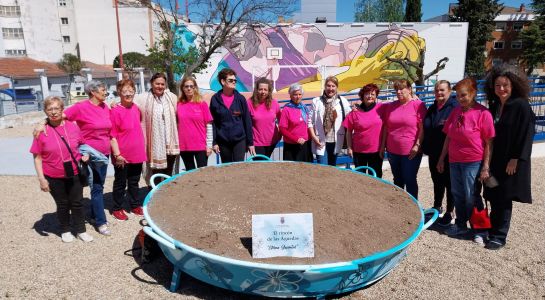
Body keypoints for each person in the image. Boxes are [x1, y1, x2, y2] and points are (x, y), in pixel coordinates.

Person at [437, 78, 495, 245]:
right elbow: (448, 136)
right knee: (458, 194)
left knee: (472, 196)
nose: (460, 99)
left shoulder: (483, 113)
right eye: (458, 96)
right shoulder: (456, 112)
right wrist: (442, 158)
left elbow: (489, 142)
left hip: (473, 161)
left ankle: (481, 230)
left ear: (473, 93)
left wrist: (486, 166)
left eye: (464, 95)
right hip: (455, 161)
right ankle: (461, 224)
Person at [483, 64, 535, 250]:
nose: (501, 89)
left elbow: (527, 133)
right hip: (493, 161)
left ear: (513, 85)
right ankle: (491, 228)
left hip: (509, 162)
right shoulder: (495, 105)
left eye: (505, 85)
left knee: (504, 197)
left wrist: (516, 158)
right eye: (497, 85)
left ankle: (499, 235)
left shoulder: (520, 105)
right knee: (492, 193)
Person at [30, 96, 93, 243]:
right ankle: (65, 230)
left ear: (62, 109)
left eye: (56, 108)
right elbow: (37, 157)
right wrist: (41, 179)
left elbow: (83, 145)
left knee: (77, 203)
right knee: (63, 204)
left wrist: (86, 154)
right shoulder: (41, 131)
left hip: (74, 173)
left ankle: (81, 230)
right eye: (49, 109)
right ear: (45, 111)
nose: (53, 112)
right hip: (53, 175)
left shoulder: (73, 126)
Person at [64, 80, 112, 236]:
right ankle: (101, 222)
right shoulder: (81, 107)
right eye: (103, 90)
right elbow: (62, 118)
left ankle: (93, 215)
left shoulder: (105, 107)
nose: (106, 92)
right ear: (93, 91)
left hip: (104, 154)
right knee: (96, 187)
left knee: (99, 185)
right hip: (90, 154)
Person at [382, 79, 427, 198]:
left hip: (411, 151)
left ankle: (414, 208)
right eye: (396, 89)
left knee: (410, 179)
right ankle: (401, 208)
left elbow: (422, 128)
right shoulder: (391, 106)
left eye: (402, 88)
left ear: (409, 89)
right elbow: (386, 127)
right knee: (397, 180)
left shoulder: (418, 105)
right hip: (392, 150)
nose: (398, 91)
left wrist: (417, 145)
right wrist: (383, 147)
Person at [109, 79, 147, 221]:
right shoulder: (114, 111)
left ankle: (135, 205)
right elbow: (112, 135)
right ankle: (117, 208)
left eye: (131, 91)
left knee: (134, 181)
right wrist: (117, 154)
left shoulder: (136, 108)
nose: (128, 94)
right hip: (122, 154)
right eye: (125, 91)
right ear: (119, 92)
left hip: (136, 152)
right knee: (120, 182)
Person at [422, 80, 458, 226]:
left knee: (450, 183)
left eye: (442, 90)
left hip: (449, 153)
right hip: (433, 152)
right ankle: (437, 206)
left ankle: (450, 211)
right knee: (437, 181)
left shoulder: (455, 108)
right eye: (436, 90)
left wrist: (443, 157)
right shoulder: (432, 108)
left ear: (449, 91)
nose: (439, 93)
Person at [133, 73, 180, 183]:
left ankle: (167, 193)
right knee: (156, 172)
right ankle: (155, 193)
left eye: (162, 84)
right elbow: (128, 103)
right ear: (151, 84)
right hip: (154, 144)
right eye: (157, 83)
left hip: (170, 143)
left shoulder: (172, 97)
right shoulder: (143, 98)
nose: (160, 86)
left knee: (168, 171)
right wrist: (114, 104)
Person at [209, 68, 255, 162]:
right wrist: (214, 142)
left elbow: (247, 121)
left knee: (238, 167)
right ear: (222, 81)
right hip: (223, 141)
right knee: (227, 168)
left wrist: (250, 143)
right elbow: (213, 123)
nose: (234, 82)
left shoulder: (240, 99)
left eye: (235, 80)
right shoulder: (215, 99)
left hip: (239, 140)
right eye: (230, 80)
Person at [343, 83, 385, 177]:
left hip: (376, 151)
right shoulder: (355, 112)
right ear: (362, 95)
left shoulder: (382, 108)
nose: (370, 96)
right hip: (359, 151)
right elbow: (349, 131)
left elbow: (398, 104)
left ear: (376, 96)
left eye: (373, 94)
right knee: (361, 178)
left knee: (376, 178)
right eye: (367, 94)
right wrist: (349, 147)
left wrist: (413, 97)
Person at [308, 76, 352, 166]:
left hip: (336, 140)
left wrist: (357, 110)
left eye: (333, 86)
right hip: (320, 140)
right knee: (322, 168)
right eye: (328, 86)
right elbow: (310, 122)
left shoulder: (343, 101)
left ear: (336, 87)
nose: (330, 89)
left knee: (332, 168)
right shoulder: (316, 101)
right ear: (325, 86)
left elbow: (350, 118)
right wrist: (314, 137)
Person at [177, 76, 214, 170]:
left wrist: (209, 146)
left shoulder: (202, 104)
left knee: (202, 174)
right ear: (182, 88)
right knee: (189, 174)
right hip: (184, 146)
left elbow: (209, 125)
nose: (189, 88)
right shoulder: (178, 104)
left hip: (200, 146)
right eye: (186, 86)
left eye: (191, 86)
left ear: (195, 88)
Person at [247, 78, 281, 158]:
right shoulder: (249, 103)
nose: (263, 92)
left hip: (272, 141)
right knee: (259, 165)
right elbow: (246, 123)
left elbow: (281, 119)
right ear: (256, 90)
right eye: (260, 89)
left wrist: (280, 134)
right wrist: (249, 142)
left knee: (266, 163)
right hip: (256, 142)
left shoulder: (274, 103)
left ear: (269, 91)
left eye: (265, 89)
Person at [279, 83, 311, 162]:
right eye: (295, 94)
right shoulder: (286, 109)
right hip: (291, 146)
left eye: (300, 94)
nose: (298, 97)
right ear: (290, 95)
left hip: (305, 144)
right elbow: (282, 129)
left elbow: (309, 125)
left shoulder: (304, 108)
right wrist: (296, 139)